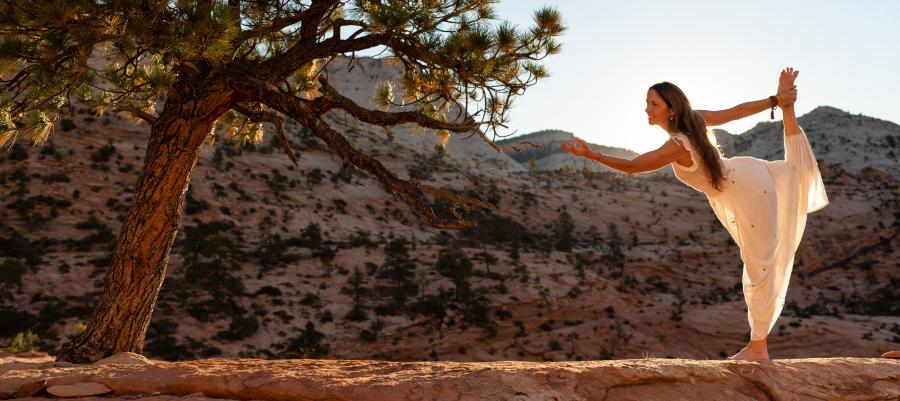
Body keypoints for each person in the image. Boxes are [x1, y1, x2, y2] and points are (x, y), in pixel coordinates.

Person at [561, 68, 829, 360]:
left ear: (671, 109)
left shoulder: (676, 145)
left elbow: (634, 166)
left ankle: (758, 348)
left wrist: (592, 156)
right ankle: (758, 345)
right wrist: (774, 100)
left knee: (759, 265)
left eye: (654, 104)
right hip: (746, 174)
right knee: (765, 249)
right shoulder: (694, 123)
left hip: (744, 189)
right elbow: (736, 112)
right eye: (647, 103)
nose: (647, 109)